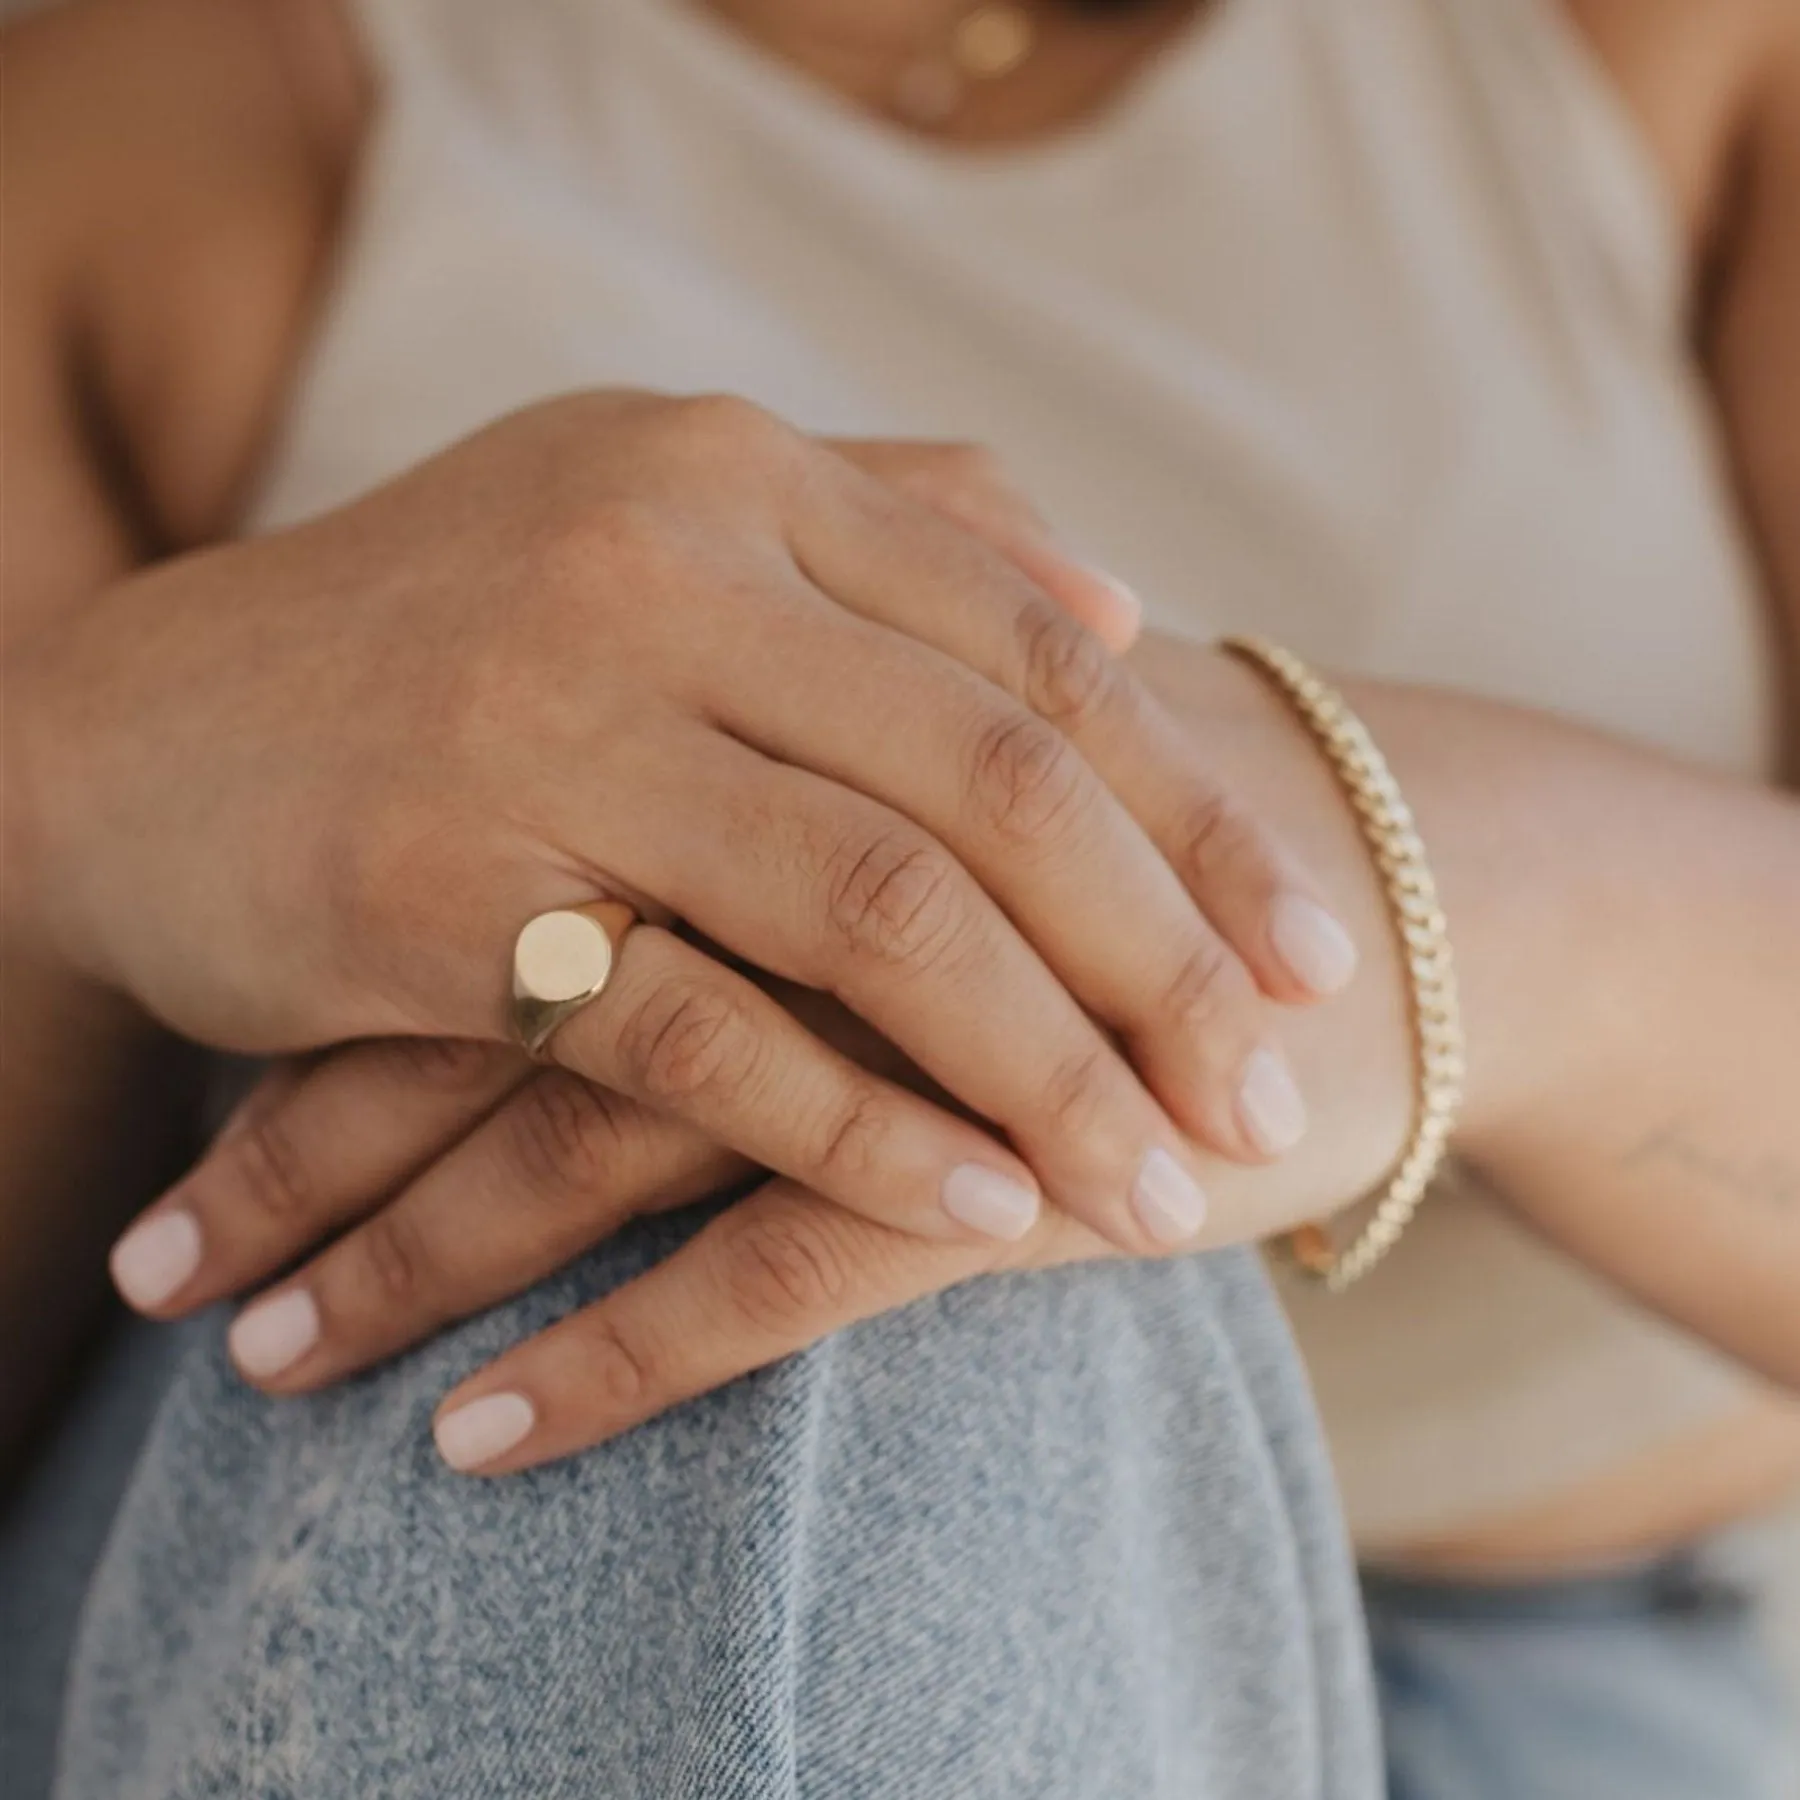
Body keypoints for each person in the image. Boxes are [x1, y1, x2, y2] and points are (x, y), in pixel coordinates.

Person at [1, 0, 1797, 1795]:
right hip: (402, 1583)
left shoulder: (1659, 51)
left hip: (1574, 1654)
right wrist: (63, 780)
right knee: (750, 1169)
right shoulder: (169, 120)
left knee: (873, 1146)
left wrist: (1434, 900)